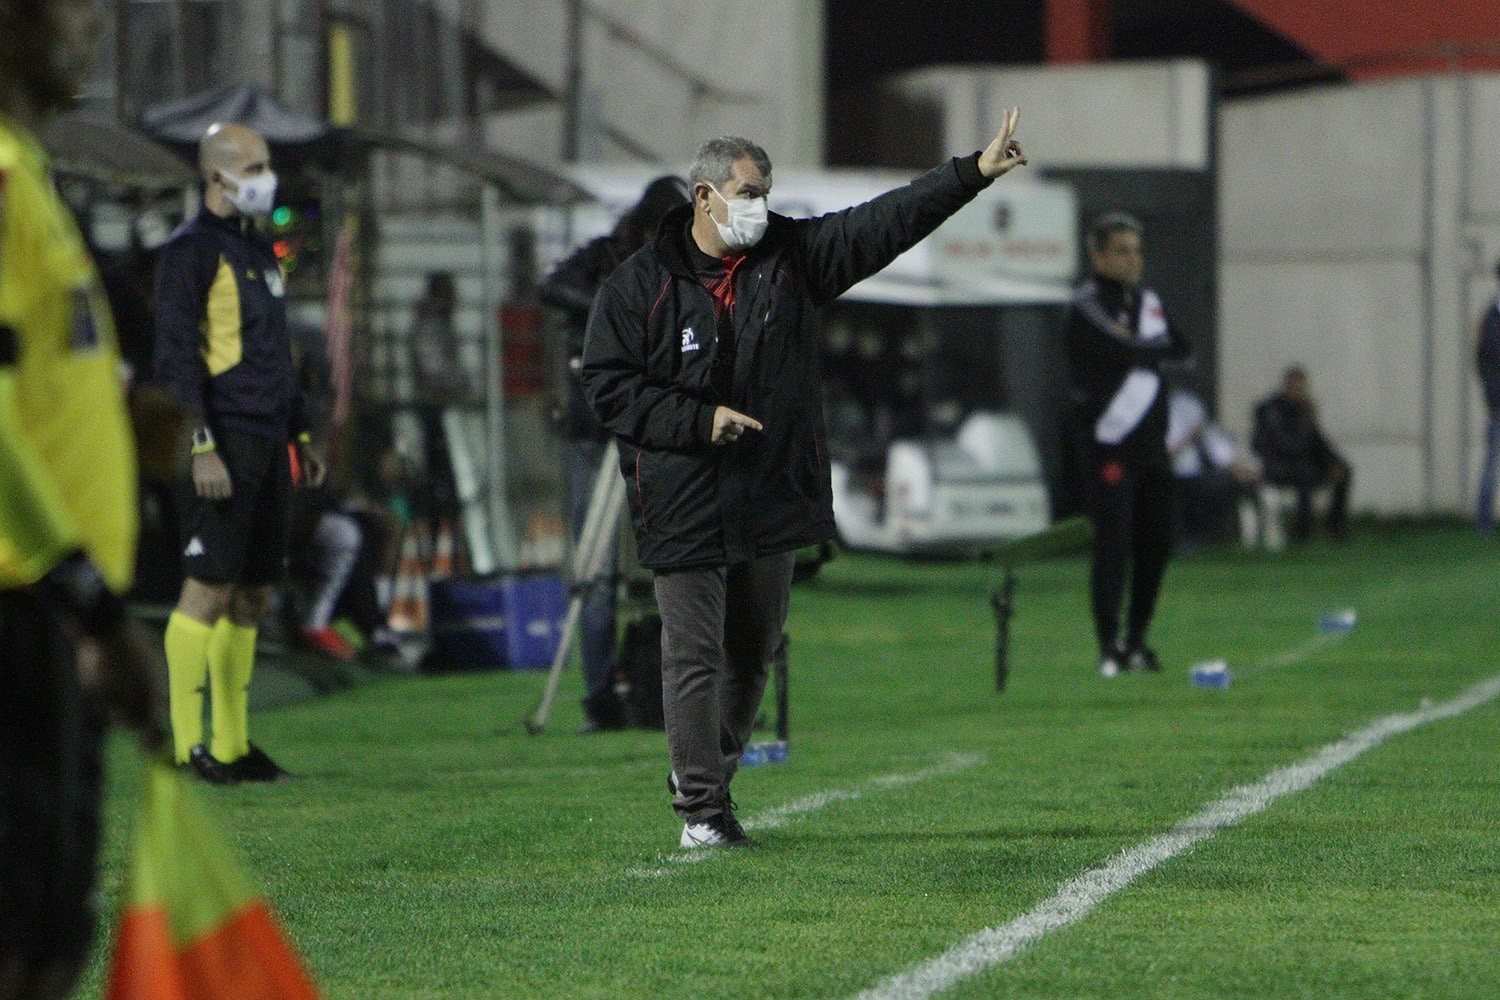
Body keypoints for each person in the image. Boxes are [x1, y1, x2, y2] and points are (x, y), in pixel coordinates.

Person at [582, 112, 1028, 848]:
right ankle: (702, 810)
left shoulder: (793, 258)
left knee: (753, 651)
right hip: (682, 490)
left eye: (766, 191)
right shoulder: (638, 286)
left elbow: (884, 224)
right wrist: (698, 422)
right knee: (692, 652)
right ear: (703, 196)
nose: (761, 205)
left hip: (769, 486)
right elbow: (606, 387)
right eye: (748, 191)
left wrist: (970, 173)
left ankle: (703, 770)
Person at [1, 1, 169, 996]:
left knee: (52, 929)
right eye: (69, 8)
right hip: (25, 611)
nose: (93, 26)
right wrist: (88, 604)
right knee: (25, 940)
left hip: (48, 613)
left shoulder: (33, 178)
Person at [154, 121, 326, 784]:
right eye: (252, 167)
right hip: (219, 440)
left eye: (265, 165)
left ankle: (232, 744)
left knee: (252, 594)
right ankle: (186, 746)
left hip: (267, 440)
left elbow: (277, 356)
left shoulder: (257, 253)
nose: (265, 178)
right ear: (216, 175)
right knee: (206, 587)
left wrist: (301, 431)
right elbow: (175, 357)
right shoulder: (189, 252)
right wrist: (199, 444)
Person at [539, 175, 690, 733]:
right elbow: (552, 286)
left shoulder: (683, 267)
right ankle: (598, 699)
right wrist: (614, 307)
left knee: (681, 557)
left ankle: (683, 695)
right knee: (595, 573)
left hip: (656, 422)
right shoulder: (605, 258)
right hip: (595, 424)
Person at [1067, 213, 1190, 678]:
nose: (1133, 260)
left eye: (1137, 251)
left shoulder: (1147, 304)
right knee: (1113, 545)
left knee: (1156, 543)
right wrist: (1145, 349)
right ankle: (1107, 645)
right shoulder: (1085, 305)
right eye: (1122, 250)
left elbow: (1183, 350)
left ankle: (1137, 639)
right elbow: (1131, 352)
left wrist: (1142, 347)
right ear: (1097, 255)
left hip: (1152, 446)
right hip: (1110, 447)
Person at [1251, 366, 1350, 542]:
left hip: (1302, 464)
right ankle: (1301, 531)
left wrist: (1333, 461)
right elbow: (1280, 444)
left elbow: (1318, 442)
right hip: (1278, 466)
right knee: (1306, 476)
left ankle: (1335, 526)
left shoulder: (1304, 410)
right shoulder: (1273, 410)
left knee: (1343, 471)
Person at [1166, 386, 1260, 549]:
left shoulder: (1209, 434)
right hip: (1177, 476)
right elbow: (1167, 456)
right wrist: (1188, 438)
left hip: (1202, 476)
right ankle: (1182, 537)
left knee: (1226, 483)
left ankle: (1214, 534)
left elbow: (1226, 456)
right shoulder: (1171, 431)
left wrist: (1243, 474)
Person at [1473, 258, 1500, 533]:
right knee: (1491, 465)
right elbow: (1485, 364)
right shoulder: (1490, 318)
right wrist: (1493, 400)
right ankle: (1483, 521)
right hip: (1499, 405)